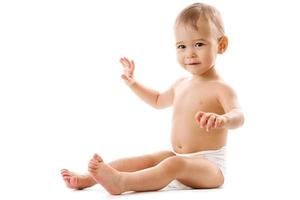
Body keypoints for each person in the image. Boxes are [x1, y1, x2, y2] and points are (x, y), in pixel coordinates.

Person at [61, 2, 244, 195]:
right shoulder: (180, 84)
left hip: (209, 166)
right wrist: (133, 83)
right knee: (150, 159)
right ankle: (88, 179)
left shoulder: (221, 88)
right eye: (181, 46)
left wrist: (224, 119)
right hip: (180, 156)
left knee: (173, 163)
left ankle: (122, 182)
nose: (189, 53)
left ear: (221, 45)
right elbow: (157, 100)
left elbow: (239, 115)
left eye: (199, 44)